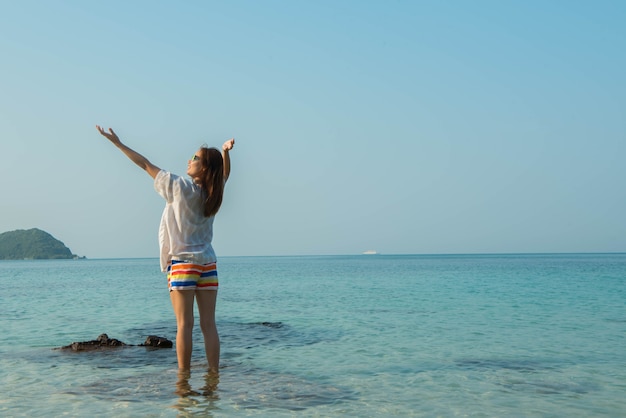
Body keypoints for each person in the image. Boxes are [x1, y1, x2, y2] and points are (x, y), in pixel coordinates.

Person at [96, 125, 234, 374]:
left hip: (183, 264)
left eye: (195, 158)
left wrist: (118, 144)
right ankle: (214, 378)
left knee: (184, 324)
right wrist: (225, 152)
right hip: (208, 264)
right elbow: (225, 174)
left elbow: (145, 165)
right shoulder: (214, 193)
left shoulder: (179, 186)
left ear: (203, 168)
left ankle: (183, 380)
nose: (189, 160)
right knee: (209, 325)